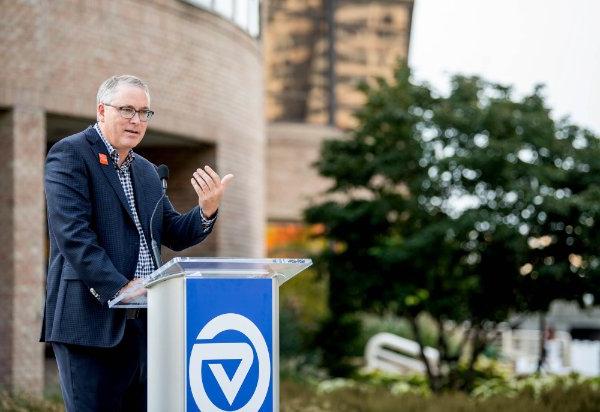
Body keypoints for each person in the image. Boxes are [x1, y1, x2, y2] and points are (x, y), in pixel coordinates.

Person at [41, 74, 233, 411]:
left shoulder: (145, 170)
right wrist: (122, 287)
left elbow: (172, 231)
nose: (137, 120)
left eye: (144, 113)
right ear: (102, 111)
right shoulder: (70, 154)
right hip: (90, 322)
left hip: (146, 324)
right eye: (127, 110)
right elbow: (73, 236)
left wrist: (205, 210)